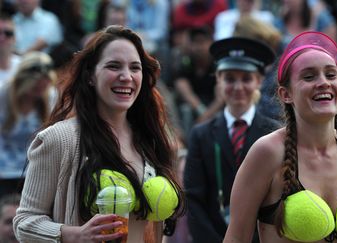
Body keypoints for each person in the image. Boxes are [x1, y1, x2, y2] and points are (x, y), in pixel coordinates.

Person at [13, 25, 185, 243]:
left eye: (135, 68)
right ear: (90, 77)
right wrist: (77, 235)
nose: (126, 76)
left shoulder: (151, 138)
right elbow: (24, 222)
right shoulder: (59, 139)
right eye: (114, 66)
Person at [223, 31, 337, 243]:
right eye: (309, 76)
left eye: (331, 75)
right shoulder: (268, 151)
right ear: (286, 94)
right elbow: (236, 237)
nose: (323, 82)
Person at [183, 37, 281, 243]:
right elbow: (194, 200)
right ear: (218, 79)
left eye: (246, 78)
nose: (238, 87)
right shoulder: (200, 135)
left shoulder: (276, 132)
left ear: (259, 80)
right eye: (229, 78)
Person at [0, 51, 57, 198]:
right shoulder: (4, 95)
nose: (40, 92)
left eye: (44, 87)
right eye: (35, 88)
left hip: (34, 169)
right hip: (4, 170)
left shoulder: (49, 96)